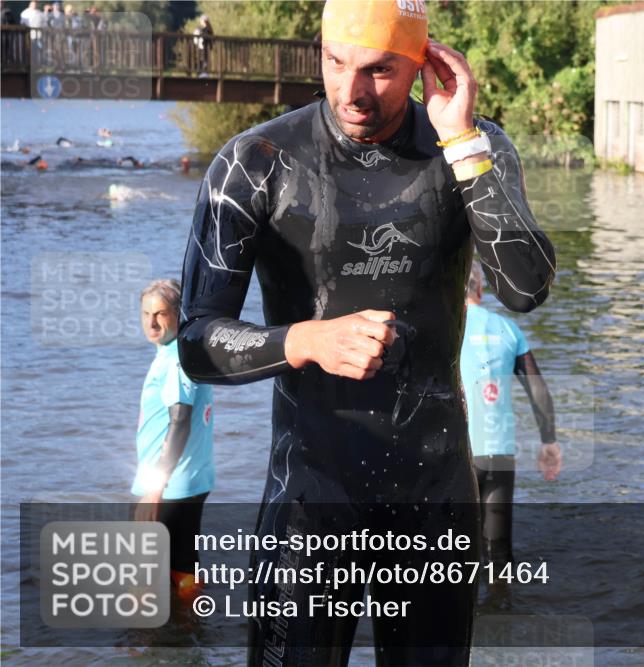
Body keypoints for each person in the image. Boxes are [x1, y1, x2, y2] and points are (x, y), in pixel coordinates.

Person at [177, 0, 555, 663]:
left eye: (380, 70)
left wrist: (462, 143)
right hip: (308, 501)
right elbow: (195, 342)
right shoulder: (255, 163)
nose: (352, 92)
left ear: (423, 63)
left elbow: (526, 288)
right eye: (335, 62)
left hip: (434, 502)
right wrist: (304, 341)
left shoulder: (473, 146)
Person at [460, 263, 561, 609]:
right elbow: (539, 391)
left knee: (455, 548)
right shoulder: (507, 329)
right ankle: (501, 612)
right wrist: (549, 442)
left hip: (459, 455)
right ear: (481, 291)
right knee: (498, 548)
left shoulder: (448, 330)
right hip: (499, 454)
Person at [133, 279, 215, 601]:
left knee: (141, 578)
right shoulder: (183, 351)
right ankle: (190, 640)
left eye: (161, 314)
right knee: (183, 566)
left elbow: (179, 422)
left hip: (167, 487)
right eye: (145, 314)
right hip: (191, 482)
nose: (152, 322)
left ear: (178, 315)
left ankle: (143, 648)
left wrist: (155, 486)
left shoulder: (174, 360)